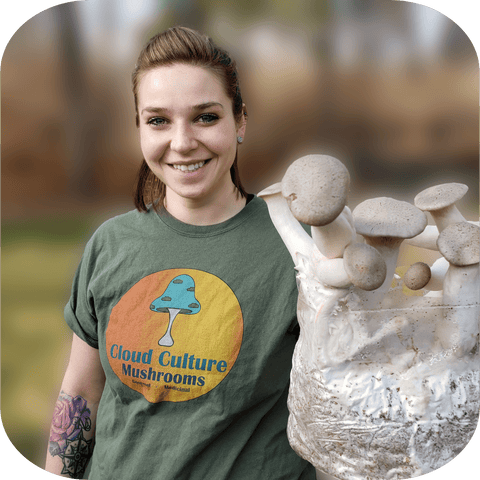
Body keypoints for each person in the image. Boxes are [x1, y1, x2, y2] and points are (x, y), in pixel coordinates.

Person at [45, 26, 316, 479]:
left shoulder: (299, 246)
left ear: (241, 121)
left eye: (206, 117)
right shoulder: (110, 245)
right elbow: (81, 394)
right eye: (158, 120)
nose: (182, 141)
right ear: (138, 129)